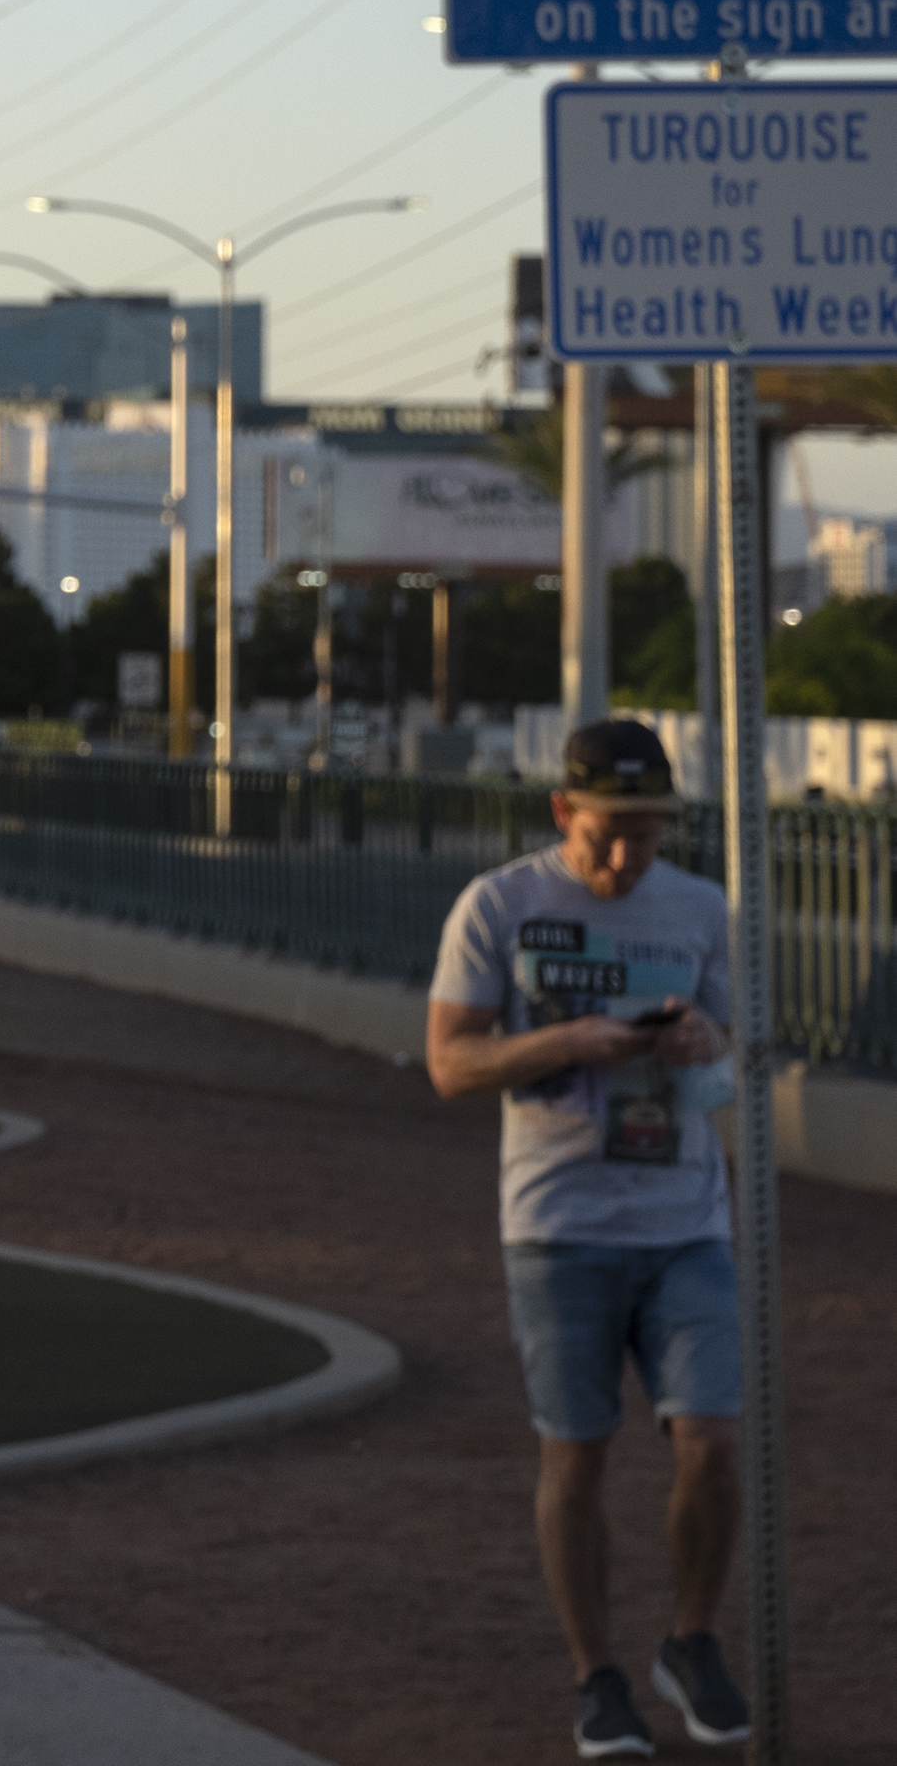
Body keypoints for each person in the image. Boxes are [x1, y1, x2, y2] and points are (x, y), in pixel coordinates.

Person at [427, 719, 750, 1756]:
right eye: (607, 833)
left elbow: (731, 1064)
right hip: (558, 1227)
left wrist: (702, 1040)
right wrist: (573, 1039)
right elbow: (448, 1063)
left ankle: (690, 1639)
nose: (624, 858)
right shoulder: (500, 906)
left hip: (685, 1220)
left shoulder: (702, 910)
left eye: (647, 835)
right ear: (564, 812)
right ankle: (595, 1675)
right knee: (578, 1453)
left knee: (710, 1436)